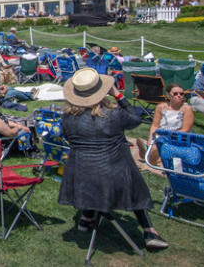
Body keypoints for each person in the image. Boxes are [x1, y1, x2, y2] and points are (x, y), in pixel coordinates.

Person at [57, 68, 168, 250]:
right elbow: (135, 119)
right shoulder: (113, 114)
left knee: (95, 169)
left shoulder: (67, 117)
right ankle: (149, 230)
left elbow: (69, 139)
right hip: (114, 176)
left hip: (79, 175)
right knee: (132, 179)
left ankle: (86, 218)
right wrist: (118, 95)